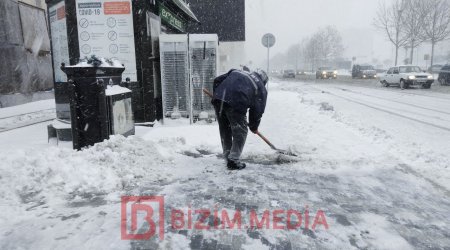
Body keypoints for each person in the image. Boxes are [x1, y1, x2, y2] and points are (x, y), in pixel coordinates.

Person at [212, 69, 268, 170]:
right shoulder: (261, 87)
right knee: (240, 131)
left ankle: (227, 156)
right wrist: (253, 126)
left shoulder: (238, 71)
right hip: (236, 102)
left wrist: (217, 94)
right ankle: (233, 159)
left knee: (225, 129)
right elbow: (257, 110)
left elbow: (217, 80)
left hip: (219, 99)